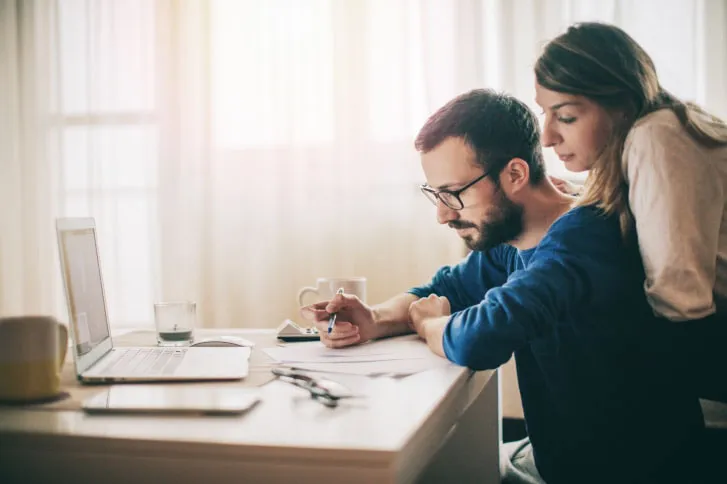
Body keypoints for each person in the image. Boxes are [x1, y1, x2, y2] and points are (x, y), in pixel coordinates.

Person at [301, 89, 703, 484]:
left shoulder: (584, 236)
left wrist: (429, 326)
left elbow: (480, 338)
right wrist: (375, 319)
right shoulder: (515, 237)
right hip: (555, 458)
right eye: (435, 195)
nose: (442, 215)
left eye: (453, 194)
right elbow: (449, 287)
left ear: (514, 174)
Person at [534, 22, 727, 402]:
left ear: (622, 106)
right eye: (546, 114)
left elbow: (680, 303)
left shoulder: (656, 138)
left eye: (567, 117)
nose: (547, 137)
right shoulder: (671, 123)